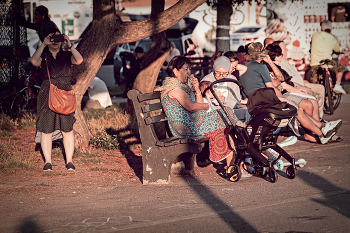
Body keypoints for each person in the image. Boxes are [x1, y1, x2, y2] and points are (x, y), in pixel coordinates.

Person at [154, 56, 244, 177]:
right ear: (175, 71)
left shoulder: (183, 87)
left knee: (224, 121)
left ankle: (230, 165)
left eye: (189, 69)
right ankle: (241, 130)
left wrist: (197, 89)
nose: (188, 72)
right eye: (185, 69)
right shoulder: (175, 89)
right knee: (224, 114)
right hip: (185, 129)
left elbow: (199, 102)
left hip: (193, 122)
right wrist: (205, 107)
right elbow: (191, 106)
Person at [239, 42, 342, 144]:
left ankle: (322, 128)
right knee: (296, 109)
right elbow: (270, 88)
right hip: (265, 103)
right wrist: (284, 100)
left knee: (298, 108)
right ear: (262, 55)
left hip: (254, 104)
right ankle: (322, 133)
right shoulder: (261, 67)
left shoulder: (243, 68)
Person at [30, 28, 83, 171]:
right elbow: (34, 61)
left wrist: (70, 45)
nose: (55, 42)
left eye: (58, 39)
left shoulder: (66, 55)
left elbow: (79, 60)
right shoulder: (45, 55)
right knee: (46, 130)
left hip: (64, 92)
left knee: (67, 129)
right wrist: (43, 44)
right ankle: (48, 162)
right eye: (52, 39)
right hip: (47, 92)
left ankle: (70, 161)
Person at [270, 40, 326, 119]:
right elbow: (285, 85)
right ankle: (315, 125)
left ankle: (318, 124)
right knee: (311, 102)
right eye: (283, 48)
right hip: (289, 91)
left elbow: (288, 82)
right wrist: (301, 90)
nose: (286, 49)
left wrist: (302, 86)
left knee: (315, 97)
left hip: (296, 87)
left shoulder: (282, 64)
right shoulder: (277, 66)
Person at [202, 56, 250, 123]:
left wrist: (225, 100)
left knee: (246, 112)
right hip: (214, 112)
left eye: (225, 73)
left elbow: (237, 103)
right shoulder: (206, 81)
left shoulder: (232, 80)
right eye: (218, 72)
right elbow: (203, 101)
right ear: (214, 70)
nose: (221, 76)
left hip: (230, 110)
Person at [309, 20, 346, 94]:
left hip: (315, 64)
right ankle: (338, 85)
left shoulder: (315, 35)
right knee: (340, 68)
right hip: (327, 61)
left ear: (321, 29)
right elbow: (337, 49)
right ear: (331, 29)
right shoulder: (332, 38)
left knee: (315, 85)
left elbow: (311, 44)